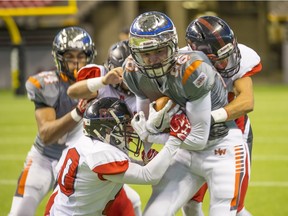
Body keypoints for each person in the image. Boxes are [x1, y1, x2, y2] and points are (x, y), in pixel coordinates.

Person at [123, 11, 247, 216]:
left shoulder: (192, 67)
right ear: (135, 54)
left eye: (160, 51)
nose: (153, 60)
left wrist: (152, 134)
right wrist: (139, 150)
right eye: (146, 54)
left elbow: (199, 138)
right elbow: (142, 124)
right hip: (183, 152)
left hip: (220, 147)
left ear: (172, 46)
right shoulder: (133, 72)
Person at [44, 97, 190, 216]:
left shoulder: (88, 143)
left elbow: (125, 165)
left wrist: (142, 163)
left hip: (60, 209)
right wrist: (174, 140)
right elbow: (149, 176)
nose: (130, 128)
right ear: (105, 129)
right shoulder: (100, 154)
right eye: (124, 123)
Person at [8, 27, 96, 216]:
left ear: (89, 56)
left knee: (132, 201)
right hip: (45, 159)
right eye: (70, 56)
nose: (76, 62)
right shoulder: (47, 84)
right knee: (19, 213)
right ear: (58, 58)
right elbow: (46, 134)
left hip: (80, 163)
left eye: (81, 56)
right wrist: (78, 112)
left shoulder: (98, 83)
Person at [182, 15, 262, 216]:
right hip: (197, 137)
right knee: (190, 204)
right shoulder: (182, 61)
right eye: (219, 59)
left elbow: (246, 102)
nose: (227, 63)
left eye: (228, 54)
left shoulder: (244, 57)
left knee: (233, 209)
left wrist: (209, 117)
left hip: (234, 134)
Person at [65, 40, 143, 216]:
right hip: (90, 155)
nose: (131, 79)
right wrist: (103, 81)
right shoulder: (100, 76)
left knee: (130, 202)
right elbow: (72, 92)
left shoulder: (144, 91)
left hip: (114, 153)